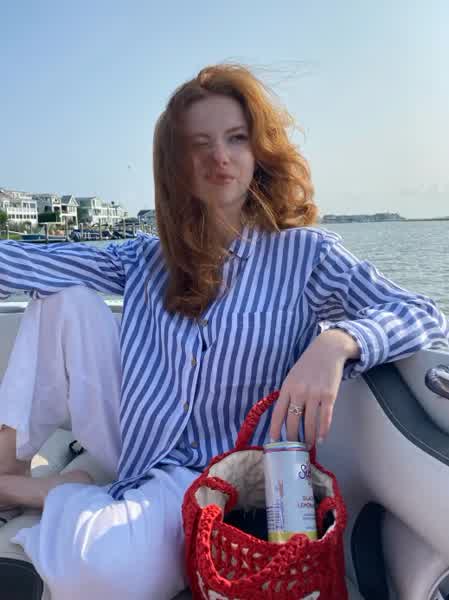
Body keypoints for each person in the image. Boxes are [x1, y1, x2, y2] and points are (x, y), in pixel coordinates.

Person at [0, 63, 448, 599]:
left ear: (259, 150)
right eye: (199, 143)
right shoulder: (146, 258)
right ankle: (13, 468)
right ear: (177, 164)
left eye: (236, 138)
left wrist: (338, 342)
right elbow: (22, 263)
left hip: (234, 476)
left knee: (95, 571)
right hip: (143, 448)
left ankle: (51, 493)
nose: (220, 156)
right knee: (61, 295)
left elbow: (419, 311)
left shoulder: (305, 254)